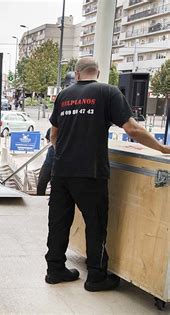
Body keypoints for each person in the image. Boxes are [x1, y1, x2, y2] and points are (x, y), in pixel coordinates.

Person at [45, 57, 170, 292]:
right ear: (98, 72)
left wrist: (64, 154)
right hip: (90, 172)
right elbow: (132, 128)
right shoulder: (108, 92)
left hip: (61, 172)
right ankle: (96, 277)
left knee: (59, 222)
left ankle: (54, 270)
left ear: (77, 73)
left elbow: (54, 135)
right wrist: (162, 148)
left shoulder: (64, 95)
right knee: (96, 223)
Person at [36, 128, 54, 195]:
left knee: (56, 184)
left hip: (60, 162)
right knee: (41, 182)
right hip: (49, 161)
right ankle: (39, 199)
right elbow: (48, 140)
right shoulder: (50, 129)